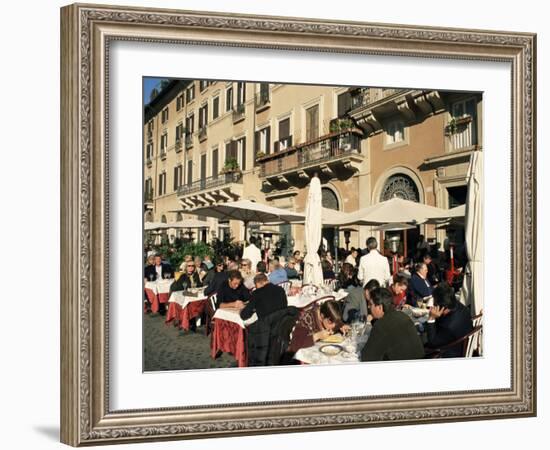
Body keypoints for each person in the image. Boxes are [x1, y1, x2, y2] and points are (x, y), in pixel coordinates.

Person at [360, 288, 425, 361]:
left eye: (371, 304)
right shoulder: (402, 315)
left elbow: (367, 357)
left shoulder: (381, 325)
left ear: (380, 307)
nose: (368, 307)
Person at [426, 282, 474, 357]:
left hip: (451, 352)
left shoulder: (448, 327)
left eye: (434, 302)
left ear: (442, 307)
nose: (433, 305)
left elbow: (432, 342)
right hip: (461, 342)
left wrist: (431, 318)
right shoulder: (460, 306)